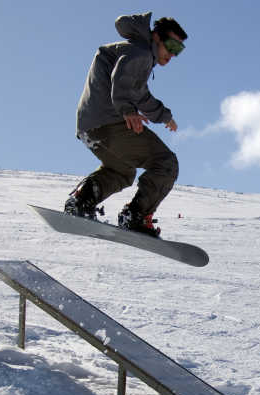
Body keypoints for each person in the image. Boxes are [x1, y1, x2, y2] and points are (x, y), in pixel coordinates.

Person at [65, 12, 188, 237]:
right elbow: (120, 80)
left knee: (122, 171)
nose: (172, 54)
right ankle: (136, 216)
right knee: (166, 162)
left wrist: (164, 115)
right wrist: (127, 110)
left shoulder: (134, 52)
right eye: (170, 46)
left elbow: (139, 93)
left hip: (89, 127)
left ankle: (81, 200)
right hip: (109, 123)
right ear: (156, 38)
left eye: (178, 50)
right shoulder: (140, 52)